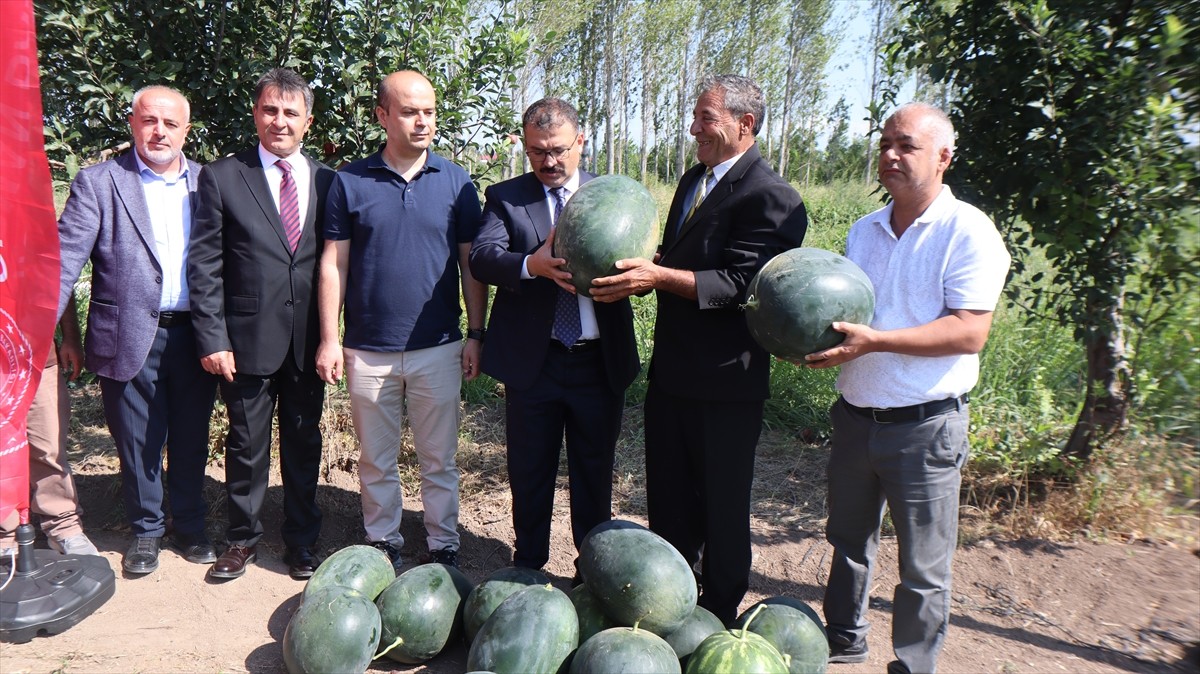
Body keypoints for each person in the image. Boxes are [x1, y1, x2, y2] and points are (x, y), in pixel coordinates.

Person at [591, 74, 808, 624]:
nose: (694, 129)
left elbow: (743, 286)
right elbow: (678, 257)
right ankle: (669, 603)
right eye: (696, 117)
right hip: (673, 378)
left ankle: (719, 614)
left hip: (725, 385)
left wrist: (658, 276)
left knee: (721, 504)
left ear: (745, 124)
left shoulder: (773, 198)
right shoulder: (694, 179)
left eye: (705, 119)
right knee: (668, 497)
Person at [804, 103, 1010, 674]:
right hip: (855, 416)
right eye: (885, 144)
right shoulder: (863, 230)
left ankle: (913, 665)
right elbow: (844, 312)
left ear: (944, 157)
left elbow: (970, 330)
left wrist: (875, 342)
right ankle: (844, 639)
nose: (890, 155)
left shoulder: (967, 230)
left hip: (926, 426)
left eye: (907, 146)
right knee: (846, 542)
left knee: (923, 565)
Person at [316, 70, 487, 570]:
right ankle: (383, 541)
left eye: (429, 111)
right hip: (368, 348)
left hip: (438, 345)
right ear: (383, 116)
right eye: (410, 111)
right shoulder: (350, 181)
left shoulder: (455, 182)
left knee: (439, 458)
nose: (422, 121)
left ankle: (443, 543)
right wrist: (331, 338)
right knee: (376, 458)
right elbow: (333, 262)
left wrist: (476, 333)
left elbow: (470, 263)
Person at [469, 98, 639, 577]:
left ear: (581, 142)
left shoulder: (614, 198)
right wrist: (531, 265)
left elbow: (645, 256)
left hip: (598, 362)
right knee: (530, 470)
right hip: (534, 364)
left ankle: (593, 570)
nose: (549, 161)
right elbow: (482, 257)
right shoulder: (507, 197)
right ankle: (529, 564)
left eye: (559, 150)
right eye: (537, 151)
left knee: (594, 472)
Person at [57, 85, 217, 576]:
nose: (159, 131)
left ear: (186, 130)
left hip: (197, 332)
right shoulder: (99, 182)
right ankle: (146, 529)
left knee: (192, 435)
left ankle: (189, 525)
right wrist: (46, 326)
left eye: (171, 123)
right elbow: (64, 261)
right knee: (136, 439)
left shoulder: (209, 183)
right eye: (149, 120)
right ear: (132, 124)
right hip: (124, 331)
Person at [188, 68, 335, 581]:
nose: (279, 121)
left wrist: (334, 338)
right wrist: (213, 335)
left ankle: (301, 543)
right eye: (270, 110)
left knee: (303, 440)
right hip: (245, 339)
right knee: (245, 444)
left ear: (308, 122)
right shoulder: (224, 176)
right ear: (256, 114)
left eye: (291, 113)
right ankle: (242, 540)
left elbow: (332, 265)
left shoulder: (328, 181)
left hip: (307, 342)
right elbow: (204, 264)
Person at [0, 294, 99, 559]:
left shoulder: (27, 249)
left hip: (36, 353)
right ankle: (4, 533)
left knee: (49, 445)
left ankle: (62, 525)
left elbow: (57, 279)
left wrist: (71, 337)